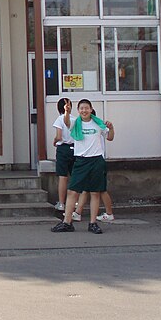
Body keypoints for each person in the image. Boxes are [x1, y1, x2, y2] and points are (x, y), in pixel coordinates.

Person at [52, 99, 114, 234]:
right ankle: (67, 222)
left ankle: (93, 223)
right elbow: (67, 123)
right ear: (78, 110)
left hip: (96, 160)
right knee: (72, 191)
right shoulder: (75, 122)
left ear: (91, 109)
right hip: (80, 160)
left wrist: (112, 128)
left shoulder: (98, 124)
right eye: (81, 108)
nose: (84, 110)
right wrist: (67, 112)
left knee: (95, 192)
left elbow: (109, 137)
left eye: (86, 108)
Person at [52, 97, 75, 212]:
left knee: (63, 177)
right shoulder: (75, 119)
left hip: (63, 149)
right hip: (74, 149)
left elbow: (59, 136)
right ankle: (75, 203)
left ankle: (61, 203)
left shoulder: (60, 119)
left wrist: (54, 141)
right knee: (74, 177)